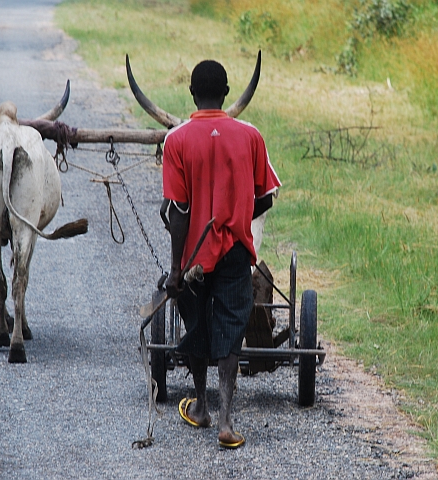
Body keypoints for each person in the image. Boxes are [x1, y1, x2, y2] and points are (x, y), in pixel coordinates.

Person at [162, 59, 280, 449]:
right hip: (235, 252)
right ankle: (227, 421)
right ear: (226, 94)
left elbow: (177, 212)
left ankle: (200, 407)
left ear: (192, 95)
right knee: (230, 333)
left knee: (198, 326)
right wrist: (239, 214)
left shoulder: (176, 141)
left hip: (195, 258)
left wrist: (177, 270)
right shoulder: (250, 136)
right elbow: (265, 196)